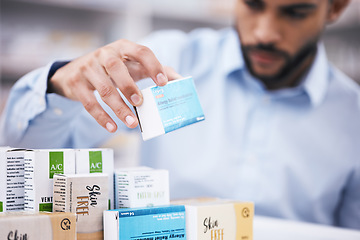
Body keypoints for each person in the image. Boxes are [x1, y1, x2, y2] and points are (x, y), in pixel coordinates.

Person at [1, 0, 359, 230]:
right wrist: (58, 85)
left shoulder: (352, 116)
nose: (264, 33)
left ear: (335, 8)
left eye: (295, 12)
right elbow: (26, 155)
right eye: (252, 4)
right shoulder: (165, 61)